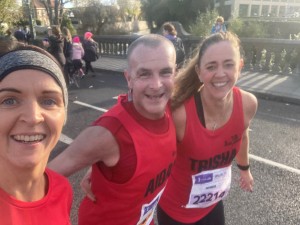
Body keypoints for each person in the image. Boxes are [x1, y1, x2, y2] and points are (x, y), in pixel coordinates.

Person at [48, 34, 177, 225]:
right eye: (144, 74)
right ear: (129, 78)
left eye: (165, 72)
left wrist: (103, 171)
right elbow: (39, 181)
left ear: (176, 73)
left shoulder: (173, 107)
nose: (157, 85)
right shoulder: (108, 134)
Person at [156, 31, 258, 225]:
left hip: (212, 205)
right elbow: (148, 140)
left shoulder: (247, 104)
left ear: (240, 67)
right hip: (176, 211)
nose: (220, 74)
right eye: (211, 66)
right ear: (199, 72)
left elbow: (242, 135)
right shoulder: (180, 114)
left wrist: (244, 169)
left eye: (229, 64)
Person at [0, 43, 72, 224]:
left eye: (48, 101)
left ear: (64, 114)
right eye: (9, 100)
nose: (33, 118)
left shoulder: (62, 189)